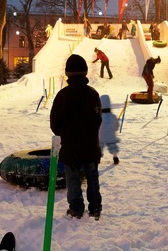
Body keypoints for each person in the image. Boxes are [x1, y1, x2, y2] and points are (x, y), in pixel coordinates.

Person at [50, 54, 102, 220]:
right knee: (92, 178)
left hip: (71, 147)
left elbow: (55, 122)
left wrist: (63, 133)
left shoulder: (63, 95)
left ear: (67, 73)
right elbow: (98, 118)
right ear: (85, 72)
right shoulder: (92, 94)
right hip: (90, 146)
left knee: (72, 179)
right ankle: (95, 207)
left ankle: (76, 208)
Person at [99, 94, 119, 165]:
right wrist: (113, 130)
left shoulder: (99, 116)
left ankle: (98, 158)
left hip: (100, 136)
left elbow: (97, 127)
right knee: (113, 147)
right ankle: (115, 156)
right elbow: (116, 126)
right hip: (111, 136)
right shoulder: (113, 116)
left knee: (99, 148)